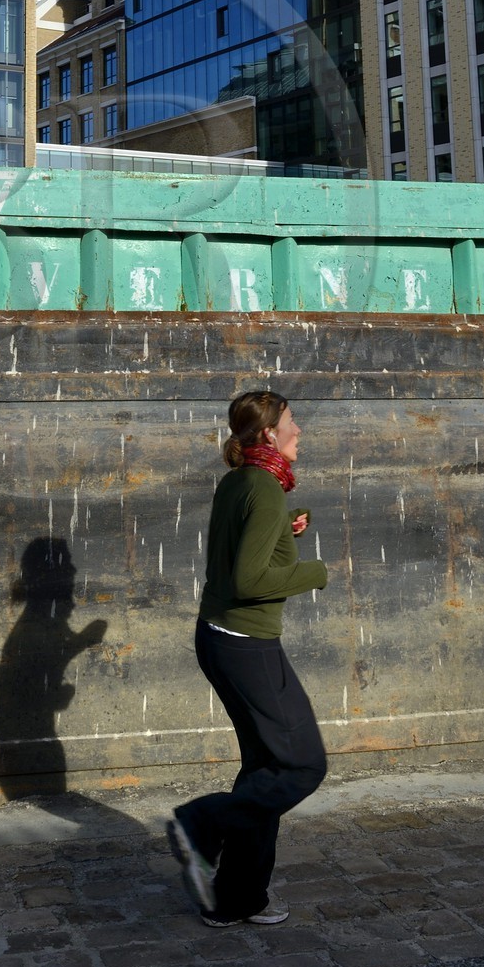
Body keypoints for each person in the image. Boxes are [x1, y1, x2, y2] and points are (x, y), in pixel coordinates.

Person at [167, 390, 328, 928]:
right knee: (301, 765)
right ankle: (200, 822)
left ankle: (238, 896)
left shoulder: (241, 482)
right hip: (245, 645)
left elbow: (246, 547)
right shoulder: (262, 488)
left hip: (223, 640)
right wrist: (316, 571)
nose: (299, 430)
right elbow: (250, 579)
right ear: (268, 435)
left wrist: (285, 526)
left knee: (265, 770)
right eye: (292, 422)